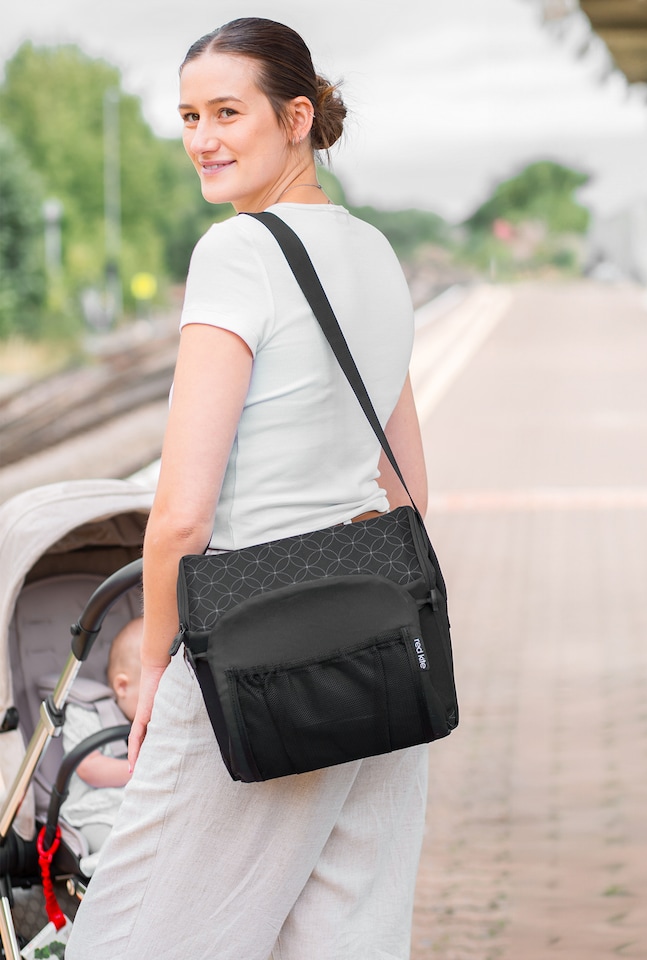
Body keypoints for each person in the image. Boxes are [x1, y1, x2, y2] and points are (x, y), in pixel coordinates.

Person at [68, 17, 429, 960]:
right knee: (344, 935)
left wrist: (153, 669)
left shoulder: (237, 253)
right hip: (377, 633)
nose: (203, 139)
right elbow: (407, 483)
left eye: (229, 112)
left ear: (297, 118)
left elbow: (182, 511)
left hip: (247, 646)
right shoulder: (376, 253)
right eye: (189, 115)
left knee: (131, 934)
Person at [60, 618, 141, 869]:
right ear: (122, 686)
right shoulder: (86, 711)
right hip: (96, 809)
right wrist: (141, 770)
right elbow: (88, 767)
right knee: (110, 835)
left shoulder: (160, 721)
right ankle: (105, 863)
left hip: (139, 808)